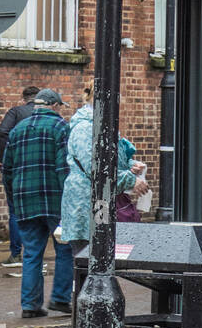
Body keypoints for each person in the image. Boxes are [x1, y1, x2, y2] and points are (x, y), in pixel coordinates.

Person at [2, 88, 72, 318]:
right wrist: (70, 198)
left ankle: (30, 305)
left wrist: (13, 199)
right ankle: (60, 298)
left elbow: (8, 170)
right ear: (53, 105)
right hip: (55, 200)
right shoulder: (60, 127)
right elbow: (64, 167)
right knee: (65, 248)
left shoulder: (17, 130)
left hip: (25, 200)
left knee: (31, 253)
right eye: (60, 106)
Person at [60, 84, 148, 257]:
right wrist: (130, 180)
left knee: (101, 257)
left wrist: (129, 165)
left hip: (99, 200)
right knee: (90, 259)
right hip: (87, 203)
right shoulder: (85, 128)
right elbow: (95, 167)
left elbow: (108, 159)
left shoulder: (102, 124)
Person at [0, 85, 40, 265]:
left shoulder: (16, 112)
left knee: (15, 210)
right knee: (39, 211)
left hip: (16, 169)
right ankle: (35, 253)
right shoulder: (44, 115)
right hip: (39, 170)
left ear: (24, 99)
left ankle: (15, 254)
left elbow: (2, 132)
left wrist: (3, 158)